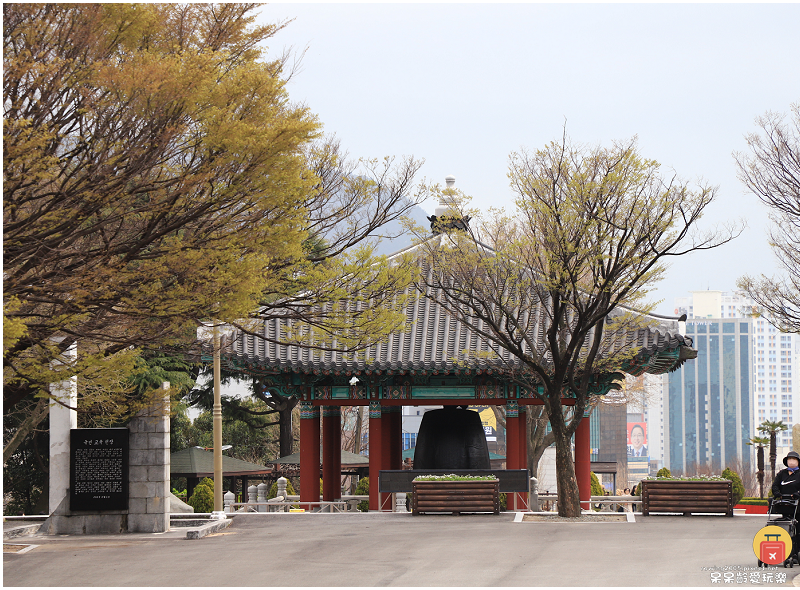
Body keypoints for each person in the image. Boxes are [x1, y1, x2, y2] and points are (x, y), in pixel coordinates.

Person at [771, 451, 800, 520]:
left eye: (794, 459)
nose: (791, 461)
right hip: (784, 503)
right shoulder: (782, 473)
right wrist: (777, 493)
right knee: (786, 521)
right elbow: (775, 485)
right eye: (789, 459)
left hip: (798, 503)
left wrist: (797, 494)